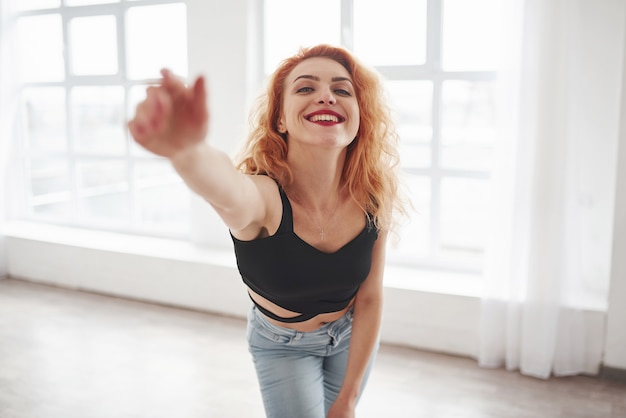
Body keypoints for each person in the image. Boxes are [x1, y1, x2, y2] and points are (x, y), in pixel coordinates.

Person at [128, 44, 404, 418]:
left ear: (359, 117)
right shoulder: (263, 198)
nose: (326, 95)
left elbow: (370, 298)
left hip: (348, 337)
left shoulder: (374, 193)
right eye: (305, 88)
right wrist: (188, 151)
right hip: (283, 345)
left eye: (342, 90)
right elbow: (226, 188)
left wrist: (349, 398)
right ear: (281, 121)